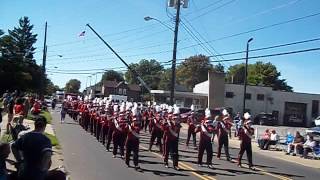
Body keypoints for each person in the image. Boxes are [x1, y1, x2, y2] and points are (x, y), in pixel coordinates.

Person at [11, 116, 52, 180]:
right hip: (38, 175)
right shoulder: (46, 140)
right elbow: (47, 157)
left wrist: (19, 160)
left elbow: (13, 146)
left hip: (24, 171)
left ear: (35, 125)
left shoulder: (26, 137)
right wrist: (44, 168)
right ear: (44, 127)